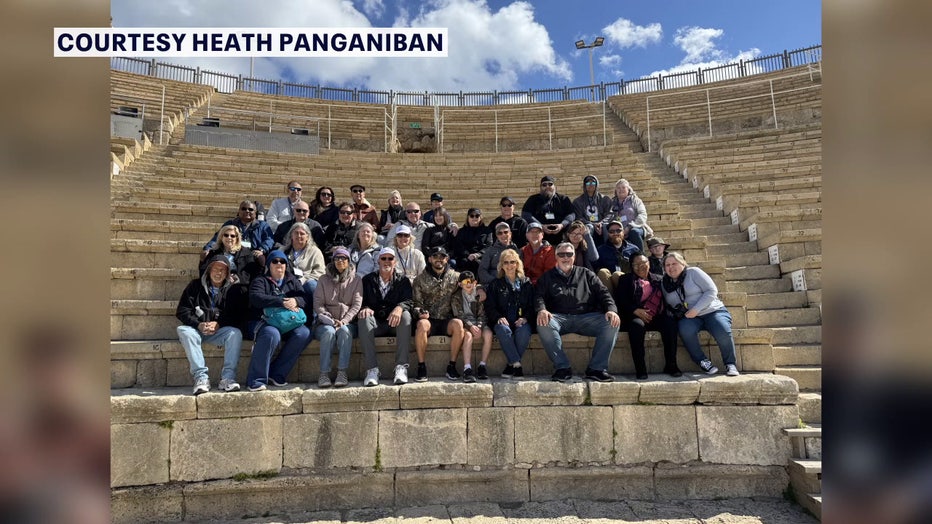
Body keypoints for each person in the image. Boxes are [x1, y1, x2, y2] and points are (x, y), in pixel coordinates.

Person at [535, 242, 621, 382]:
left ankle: (596, 369)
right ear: (556, 257)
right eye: (561, 254)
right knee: (543, 323)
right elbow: (538, 296)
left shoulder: (586, 273)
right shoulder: (547, 277)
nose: (565, 257)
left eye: (569, 254)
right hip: (560, 318)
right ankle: (562, 368)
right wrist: (542, 309)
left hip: (586, 317)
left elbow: (604, 293)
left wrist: (611, 310)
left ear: (574, 257)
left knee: (612, 322)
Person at [661, 252, 739, 376]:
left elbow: (711, 290)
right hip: (689, 317)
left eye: (674, 263)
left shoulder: (693, 272)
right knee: (685, 330)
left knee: (722, 330)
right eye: (667, 265)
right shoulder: (665, 283)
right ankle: (703, 361)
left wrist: (696, 309)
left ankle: (730, 363)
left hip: (712, 310)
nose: (671, 267)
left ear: (683, 263)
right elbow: (668, 303)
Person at [245, 250, 312, 391]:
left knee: (304, 333)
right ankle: (256, 380)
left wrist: (296, 300)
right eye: (275, 261)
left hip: (288, 322)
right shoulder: (260, 280)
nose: (279, 264)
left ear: (286, 265)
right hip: (263, 322)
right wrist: (281, 302)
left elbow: (305, 298)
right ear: (269, 265)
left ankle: (276, 374)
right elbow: (256, 298)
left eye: (282, 261)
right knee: (271, 334)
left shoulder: (292, 280)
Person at [175, 256, 243, 395]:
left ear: (227, 273)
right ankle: (201, 378)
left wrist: (219, 324)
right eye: (216, 269)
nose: (219, 273)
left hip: (219, 331)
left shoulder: (233, 290)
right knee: (183, 330)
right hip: (197, 330)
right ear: (209, 270)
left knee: (235, 333)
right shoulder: (195, 286)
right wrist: (198, 324)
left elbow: (237, 315)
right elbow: (182, 311)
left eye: (222, 270)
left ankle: (228, 378)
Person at [615, 253, 681, 380]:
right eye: (636, 264)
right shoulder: (625, 280)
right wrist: (635, 310)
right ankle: (641, 369)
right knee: (636, 326)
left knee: (670, 323)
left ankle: (671, 365)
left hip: (656, 315)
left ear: (649, 264)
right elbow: (621, 300)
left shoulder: (659, 279)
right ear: (632, 266)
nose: (641, 266)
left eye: (643, 263)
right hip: (635, 316)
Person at [358, 247, 414, 386]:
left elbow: (409, 301)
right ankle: (372, 370)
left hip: (395, 324)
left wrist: (400, 307)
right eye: (384, 258)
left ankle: (401, 367)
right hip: (376, 323)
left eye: (390, 258)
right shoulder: (367, 280)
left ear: (395, 262)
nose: (387, 261)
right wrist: (365, 308)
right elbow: (360, 301)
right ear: (378, 261)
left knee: (406, 316)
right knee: (364, 317)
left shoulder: (403, 281)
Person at [411, 246, 464, 382]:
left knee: (458, 324)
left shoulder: (456, 277)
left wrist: (480, 289)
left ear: (447, 259)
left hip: (447, 319)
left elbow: (471, 283)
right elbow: (416, 303)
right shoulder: (420, 279)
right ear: (429, 259)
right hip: (430, 320)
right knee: (422, 325)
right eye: (435, 256)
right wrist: (420, 313)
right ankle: (421, 366)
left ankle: (452, 366)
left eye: (442, 256)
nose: (439, 259)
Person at [313, 247, 363, 388]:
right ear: (333, 261)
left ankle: (342, 372)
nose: (340, 261)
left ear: (348, 261)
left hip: (347, 322)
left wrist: (344, 321)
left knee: (344, 331)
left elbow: (356, 304)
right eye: (337, 258)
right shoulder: (323, 279)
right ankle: (324, 374)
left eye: (343, 258)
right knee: (328, 332)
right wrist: (330, 319)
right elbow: (318, 304)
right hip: (325, 323)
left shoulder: (356, 280)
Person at [198, 224, 262, 330]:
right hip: (217, 283)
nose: (229, 238)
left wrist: (237, 278)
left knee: (238, 292)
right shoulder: (214, 252)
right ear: (221, 237)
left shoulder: (246, 252)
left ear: (237, 238)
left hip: (237, 285)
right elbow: (204, 271)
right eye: (226, 235)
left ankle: (232, 324)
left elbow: (251, 273)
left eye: (232, 236)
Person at [485, 249, 534, 378]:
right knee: (503, 329)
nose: (509, 265)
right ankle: (517, 365)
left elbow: (532, 305)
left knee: (524, 331)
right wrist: (498, 317)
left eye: (512, 262)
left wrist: (525, 318)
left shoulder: (526, 283)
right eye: (506, 262)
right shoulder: (495, 284)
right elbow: (489, 306)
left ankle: (510, 365)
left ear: (517, 264)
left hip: (520, 320)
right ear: (501, 265)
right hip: (502, 320)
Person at [449, 271, 492, 382]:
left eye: (471, 281)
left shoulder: (479, 295)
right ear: (460, 284)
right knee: (468, 336)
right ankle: (467, 368)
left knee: (488, 334)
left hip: (479, 323)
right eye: (465, 282)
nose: (468, 284)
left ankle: (482, 365)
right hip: (465, 324)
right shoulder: (456, 297)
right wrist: (471, 326)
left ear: (475, 282)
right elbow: (459, 315)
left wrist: (479, 326)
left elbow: (482, 314)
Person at [202, 200, 274, 265]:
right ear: (239, 211)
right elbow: (218, 237)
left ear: (255, 213)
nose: (247, 211)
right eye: (244, 209)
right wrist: (208, 248)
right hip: (232, 253)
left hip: (253, 255)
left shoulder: (263, 225)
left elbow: (269, 240)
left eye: (250, 209)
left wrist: (261, 250)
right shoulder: (230, 223)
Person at [521, 175, 576, 246]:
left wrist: (562, 225)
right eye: (544, 185)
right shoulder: (533, 199)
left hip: (561, 233)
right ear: (540, 187)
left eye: (550, 184)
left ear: (554, 186)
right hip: (540, 235)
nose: (547, 186)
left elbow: (571, 214)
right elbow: (526, 214)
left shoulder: (563, 199)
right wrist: (540, 226)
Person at [282, 222, 325, 301]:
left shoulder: (315, 252)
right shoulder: (283, 250)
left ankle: (315, 309)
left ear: (307, 237)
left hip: (305, 284)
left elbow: (319, 273)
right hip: (286, 282)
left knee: (311, 285)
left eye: (302, 234)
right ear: (291, 235)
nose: (299, 236)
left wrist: (302, 280)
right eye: (296, 233)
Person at [595, 219, 640, 292]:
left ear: (623, 232)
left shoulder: (634, 249)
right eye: (611, 231)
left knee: (617, 274)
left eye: (618, 230)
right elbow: (597, 269)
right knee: (602, 272)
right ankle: (609, 299)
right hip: (610, 285)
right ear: (608, 234)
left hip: (630, 284)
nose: (615, 233)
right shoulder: (601, 250)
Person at [607, 178, 652, 251]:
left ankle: (640, 255)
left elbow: (642, 214)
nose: (621, 190)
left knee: (634, 232)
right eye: (618, 188)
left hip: (636, 227)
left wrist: (629, 227)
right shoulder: (612, 203)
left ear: (628, 189)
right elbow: (608, 217)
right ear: (616, 191)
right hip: (618, 230)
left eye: (623, 187)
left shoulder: (635, 200)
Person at [572, 175, 613, 244]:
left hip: (602, 224)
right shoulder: (578, 201)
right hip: (587, 224)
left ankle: (608, 247)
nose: (590, 185)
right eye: (588, 183)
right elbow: (578, 217)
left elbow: (609, 214)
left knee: (606, 226)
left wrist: (601, 223)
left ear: (597, 184)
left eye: (593, 183)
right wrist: (593, 224)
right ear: (584, 185)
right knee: (589, 227)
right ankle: (587, 248)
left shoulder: (605, 199)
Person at [451, 207, 492, 275]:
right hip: (465, 258)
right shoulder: (462, 231)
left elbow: (489, 245)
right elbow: (459, 246)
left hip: (481, 257)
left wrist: (478, 254)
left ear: (480, 218)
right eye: (472, 216)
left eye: (477, 216)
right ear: (468, 218)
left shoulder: (487, 230)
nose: (474, 218)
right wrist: (468, 255)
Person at [478, 222, 518, 286]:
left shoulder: (517, 251)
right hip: (493, 284)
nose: (503, 235)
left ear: (510, 234)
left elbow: (520, 270)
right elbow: (482, 270)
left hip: (513, 283)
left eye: (506, 232)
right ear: (497, 236)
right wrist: (495, 281)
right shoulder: (490, 251)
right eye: (500, 233)